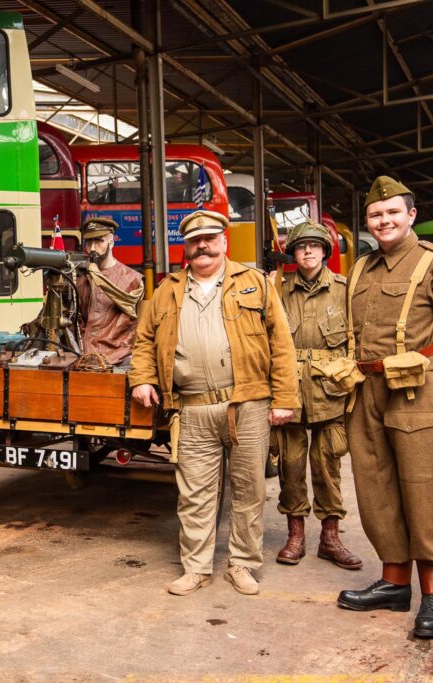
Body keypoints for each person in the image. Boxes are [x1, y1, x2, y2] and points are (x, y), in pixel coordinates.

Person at [337, 176, 433, 640]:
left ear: (411, 215)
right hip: (368, 389)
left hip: (417, 390)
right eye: (376, 216)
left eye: (393, 213)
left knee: (423, 490)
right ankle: (395, 583)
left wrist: (427, 364)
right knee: (374, 486)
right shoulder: (360, 267)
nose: (384, 221)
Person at [129, 209, 298, 596]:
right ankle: (197, 567)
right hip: (191, 408)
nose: (202, 245)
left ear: (224, 242)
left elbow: (281, 342)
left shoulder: (255, 282)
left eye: (209, 238)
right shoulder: (167, 290)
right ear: (185, 246)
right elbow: (144, 340)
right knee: (194, 493)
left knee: (249, 489)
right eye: (194, 240)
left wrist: (285, 398)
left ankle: (242, 564)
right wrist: (142, 378)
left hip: (248, 405)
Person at [275, 221, 362, 570]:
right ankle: (295, 535)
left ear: (325, 251)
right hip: (289, 394)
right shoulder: (277, 290)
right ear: (293, 254)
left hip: (332, 394)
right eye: (301, 247)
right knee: (290, 466)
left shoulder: (345, 290)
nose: (308, 251)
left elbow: (359, 338)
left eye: (314, 246)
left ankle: (330, 537)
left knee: (327, 466)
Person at [75, 217, 144, 365]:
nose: (93, 248)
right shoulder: (81, 280)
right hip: (85, 358)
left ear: (111, 243)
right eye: (89, 242)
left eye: (99, 241)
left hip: (118, 358)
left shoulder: (132, 279)